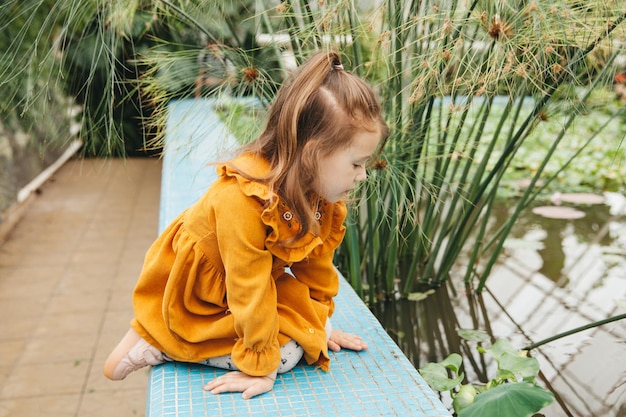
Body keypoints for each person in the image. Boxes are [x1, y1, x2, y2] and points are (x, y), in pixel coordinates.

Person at [103, 50, 389, 400]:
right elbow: (247, 287)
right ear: (313, 153)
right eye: (357, 164)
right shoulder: (242, 201)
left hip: (251, 284)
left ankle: (179, 337)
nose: (362, 176)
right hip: (201, 292)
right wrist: (261, 367)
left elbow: (317, 266)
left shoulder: (318, 194)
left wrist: (318, 323)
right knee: (285, 357)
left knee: (301, 340)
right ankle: (162, 338)